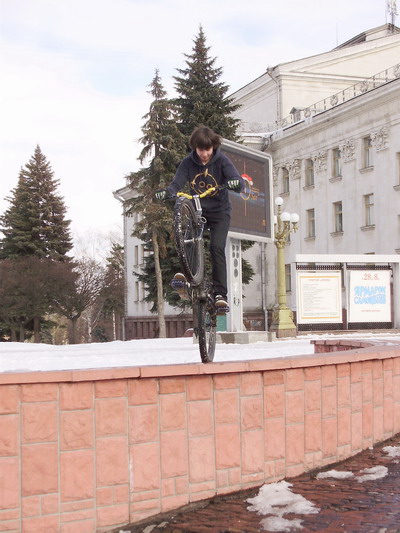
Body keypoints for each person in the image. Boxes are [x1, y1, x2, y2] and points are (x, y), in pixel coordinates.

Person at [156, 126, 246, 313]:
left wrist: (235, 182)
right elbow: (177, 183)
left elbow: (237, 180)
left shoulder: (222, 160)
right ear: (194, 148)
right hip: (198, 209)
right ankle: (189, 278)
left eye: (208, 149)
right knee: (186, 239)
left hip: (220, 212)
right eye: (200, 150)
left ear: (213, 147)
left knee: (216, 247)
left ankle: (220, 295)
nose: (204, 154)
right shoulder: (188, 163)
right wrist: (168, 192)